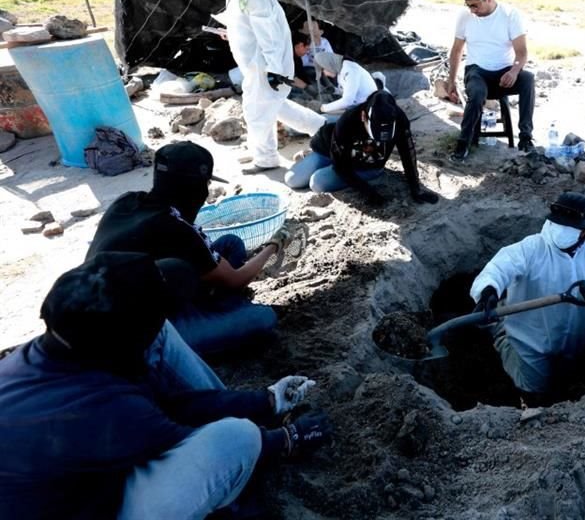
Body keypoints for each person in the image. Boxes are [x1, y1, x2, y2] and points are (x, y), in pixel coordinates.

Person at [0, 252, 332, 520]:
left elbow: (170, 403)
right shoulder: (103, 410)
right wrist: (286, 439)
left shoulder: (61, 347)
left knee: (162, 334)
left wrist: (266, 400)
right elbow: (188, 430)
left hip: (76, 480)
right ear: (124, 342)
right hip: (86, 508)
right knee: (236, 439)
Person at [87, 141, 286, 355]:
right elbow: (235, 278)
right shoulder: (175, 227)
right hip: (135, 337)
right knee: (263, 317)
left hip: (102, 305)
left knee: (230, 244)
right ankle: (213, 319)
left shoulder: (127, 202)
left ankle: (220, 308)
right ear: (197, 188)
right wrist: (274, 245)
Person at [470, 192, 585, 396]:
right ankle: (501, 334)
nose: (563, 231)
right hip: (529, 339)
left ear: (584, 231)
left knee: (568, 377)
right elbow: (498, 269)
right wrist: (489, 290)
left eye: (572, 226)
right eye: (560, 224)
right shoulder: (532, 247)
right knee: (533, 388)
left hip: (575, 337)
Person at [203, 0, 326, 175]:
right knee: (275, 106)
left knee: (257, 113)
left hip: (264, 64)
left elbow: (268, 31)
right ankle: (320, 128)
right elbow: (250, 24)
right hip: (257, 63)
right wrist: (233, 33)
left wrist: (274, 70)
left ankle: (266, 158)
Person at [285, 91, 440, 206]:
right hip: (335, 153)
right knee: (292, 180)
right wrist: (368, 192)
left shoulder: (399, 120)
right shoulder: (348, 121)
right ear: (364, 117)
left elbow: (408, 153)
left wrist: (416, 188)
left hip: (366, 165)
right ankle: (311, 157)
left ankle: (322, 166)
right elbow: (340, 166)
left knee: (316, 183)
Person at [445, 0, 536, 162]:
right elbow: (456, 51)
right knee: (477, 92)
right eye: (468, 5)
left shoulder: (510, 15)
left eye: (475, 5)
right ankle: (463, 143)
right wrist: (451, 81)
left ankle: (525, 138)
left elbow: (522, 53)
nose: (471, 10)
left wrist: (514, 71)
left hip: (504, 73)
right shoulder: (465, 17)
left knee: (527, 79)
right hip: (476, 71)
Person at [311, 50, 382, 123]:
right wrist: (335, 90)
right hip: (359, 106)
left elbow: (347, 100)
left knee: (324, 119)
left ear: (328, 65)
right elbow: (349, 91)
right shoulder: (341, 70)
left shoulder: (350, 70)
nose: (325, 74)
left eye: (323, 70)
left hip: (369, 109)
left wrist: (323, 108)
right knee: (325, 115)